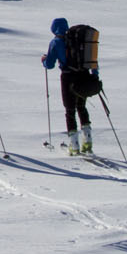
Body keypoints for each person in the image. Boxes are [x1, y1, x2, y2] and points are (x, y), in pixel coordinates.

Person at [42, 16, 99, 155]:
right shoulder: (78, 40)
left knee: (69, 110)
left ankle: (74, 145)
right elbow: (92, 59)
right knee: (81, 107)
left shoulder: (56, 42)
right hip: (84, 76)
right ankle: (88, 142)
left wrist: (44, 60)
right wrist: (94, 75)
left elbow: (49, 64)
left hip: (68, 77)